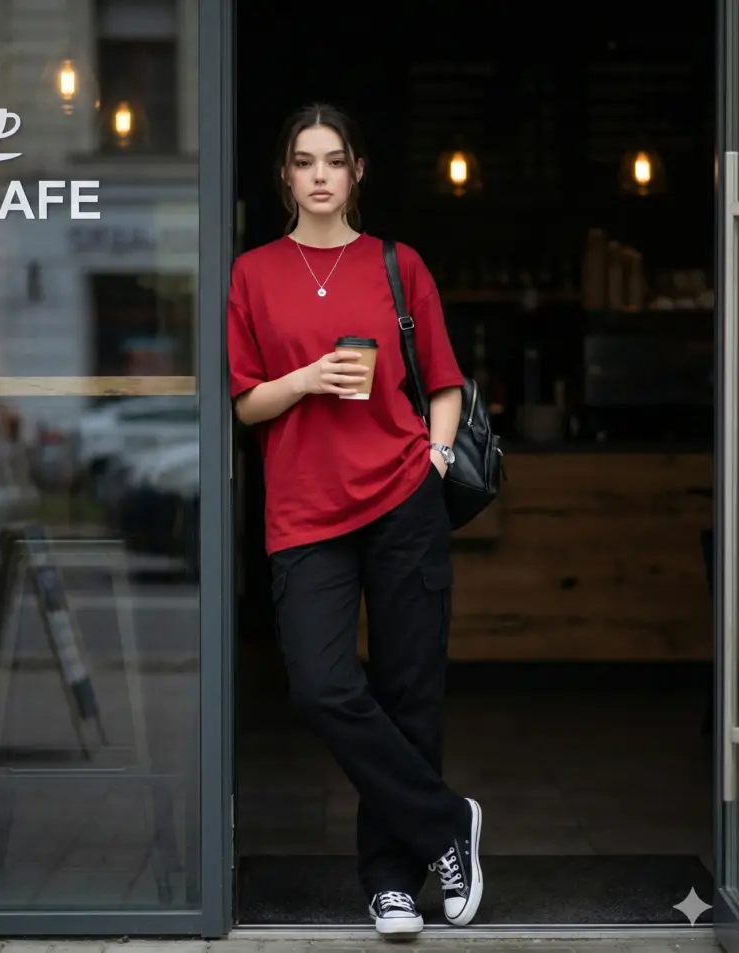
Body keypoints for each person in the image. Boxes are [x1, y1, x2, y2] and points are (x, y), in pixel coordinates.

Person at [227, 102, 483, 938]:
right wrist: (304, 379)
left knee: (412, 691)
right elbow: (245, 402)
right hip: (304, 510)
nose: (322, 175)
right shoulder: (254, 272)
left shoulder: (397, 264)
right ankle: (448, 821)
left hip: (402, 495)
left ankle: (392, 880)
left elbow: (442, 379)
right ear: (286, 176)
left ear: (358, 171)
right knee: (323, 684)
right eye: (305, 161)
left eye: (336, 159)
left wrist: (438, 456)